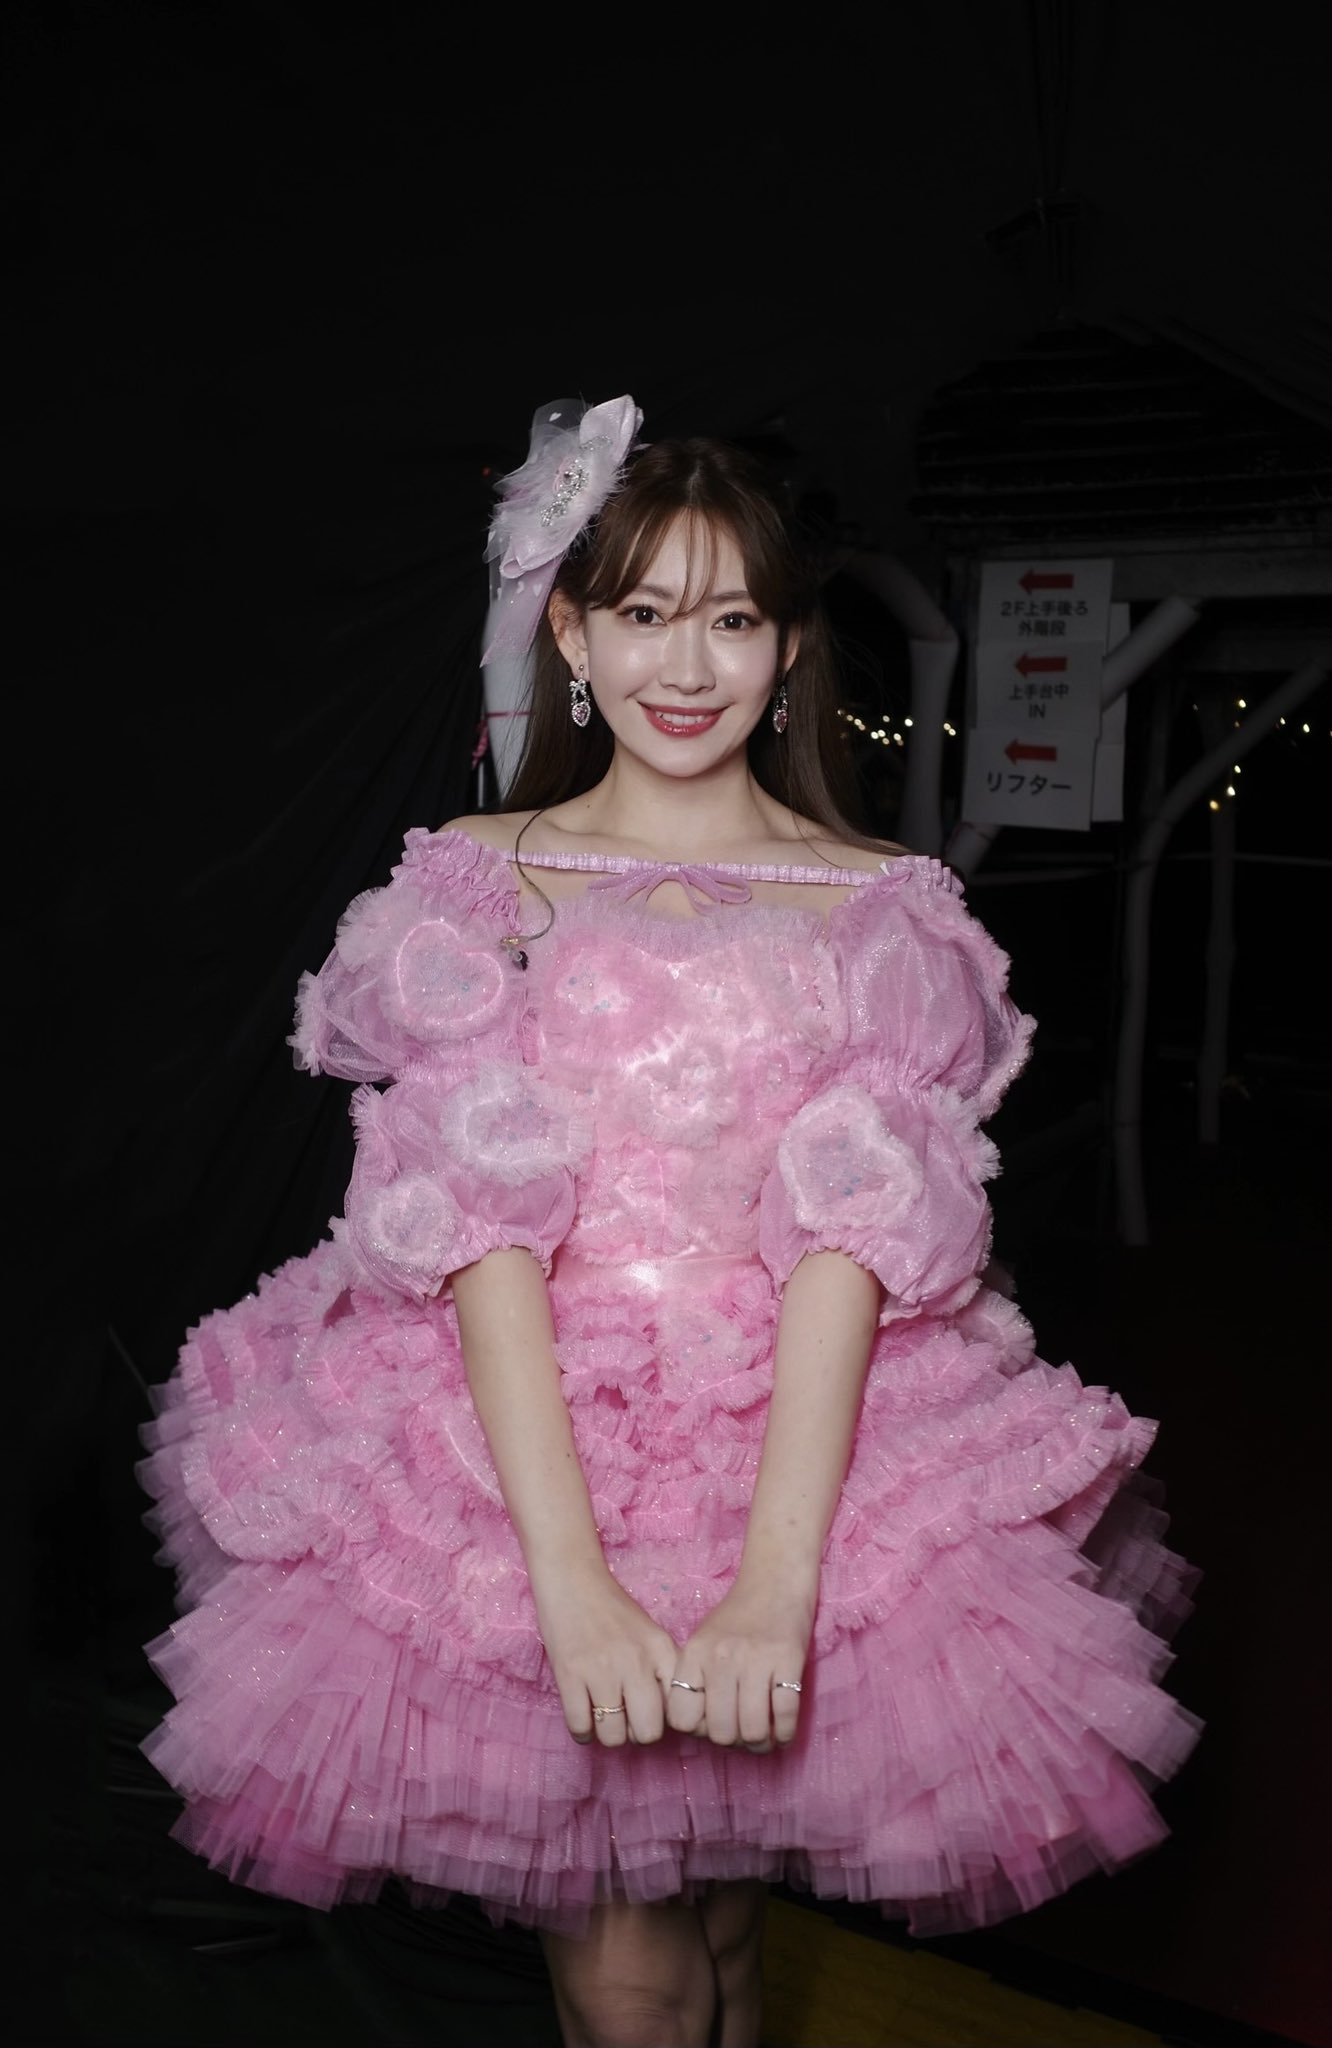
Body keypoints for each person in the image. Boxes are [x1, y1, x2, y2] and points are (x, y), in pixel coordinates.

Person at [137, 395, 1201, 2048]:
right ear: (571, 633)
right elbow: (476, 1231)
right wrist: (567, 1584)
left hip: (798, 1433)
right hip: (519, 1441)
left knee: (715, 1924)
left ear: (788, 646)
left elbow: (850, 1242)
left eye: (730, 619)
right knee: (629, 1971)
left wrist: (777, 1583)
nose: (684, 665)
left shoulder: (877, 904)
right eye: (642, 613)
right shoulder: (475, 883)